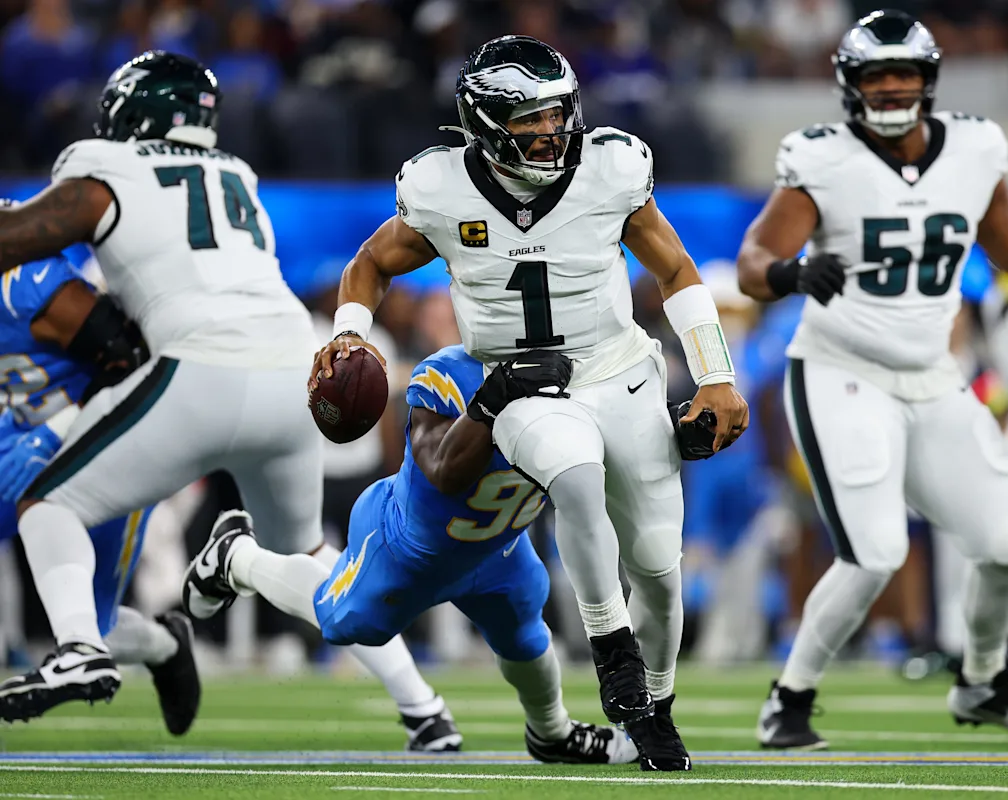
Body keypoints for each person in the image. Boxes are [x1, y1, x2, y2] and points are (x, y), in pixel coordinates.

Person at [309, 35, 749, 771]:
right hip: (521, 384)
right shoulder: (441, 187)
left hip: (620, 372)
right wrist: (349, 332)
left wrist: (714, 374)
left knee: (657, 569)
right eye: (529, 119)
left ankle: (657, 704)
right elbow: (371, 263)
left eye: (556, 114)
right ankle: (611, 651)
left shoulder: (609, 168)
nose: (550, 131)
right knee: (573, 476)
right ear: (483, 123)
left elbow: (675, 269)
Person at [0, 52, 461, 750]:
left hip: (199, 367)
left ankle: (79, 648)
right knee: (305, 554)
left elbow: (19, 237)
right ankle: (424, 708)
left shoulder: (105, 167)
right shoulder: (236, 175)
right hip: (291, 370)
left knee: (48, 503)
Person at [735, 9, 1008, 750]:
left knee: (1007, 543)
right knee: (875, 553)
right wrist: (791, 274)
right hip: (842, 370)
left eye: (904, 74)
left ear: (928, 81)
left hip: (932, 377)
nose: (891, 88)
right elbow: (753, 260)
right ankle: (788, 698)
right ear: (850, 85)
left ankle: (982, 680)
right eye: (877, 76)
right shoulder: (822, 157)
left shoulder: (973, 148)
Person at [185, 344, 639, 764]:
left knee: (526, 637)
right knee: (343, 619)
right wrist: (492, 400)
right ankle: (237, 557)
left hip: (498, 549)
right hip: (408, 547)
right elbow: (443, 471)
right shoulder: (450, 374)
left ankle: (552, 732)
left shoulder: (586, 375)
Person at [0, 240, 197, 735]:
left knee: (93, 625)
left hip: (97, 444)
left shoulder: (30, 283)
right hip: (13, 442)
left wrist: (55, 430)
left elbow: (132, 361)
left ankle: (165, 646)